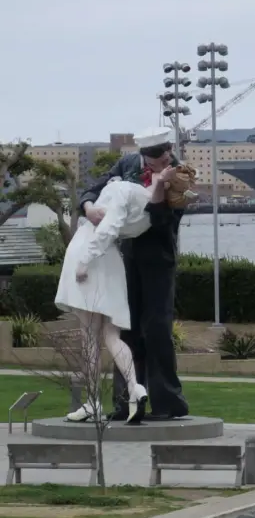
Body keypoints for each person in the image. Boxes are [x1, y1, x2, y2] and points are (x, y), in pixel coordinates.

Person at [78, 127, 189, 424]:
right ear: (143, 155)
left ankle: (168, 402)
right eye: (155, 156)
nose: (162, 160)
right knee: (124, 328)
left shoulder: (179, 174)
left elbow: (165, 221)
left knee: (157, 328)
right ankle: (126, 400)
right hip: (124, 255)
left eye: (165, 153)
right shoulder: (126, 166)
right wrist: (89, 208)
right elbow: (93, 188)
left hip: (158, 256)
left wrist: (160, 188)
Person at [56, 179, 153, 423]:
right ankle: (134, 387)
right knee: (112, 336)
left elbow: (105, 228)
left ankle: (93, 401)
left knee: (89, 336)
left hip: (91, 255)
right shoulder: (146, 213)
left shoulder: (121, 190)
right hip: (110, 260)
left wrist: (84, 261)